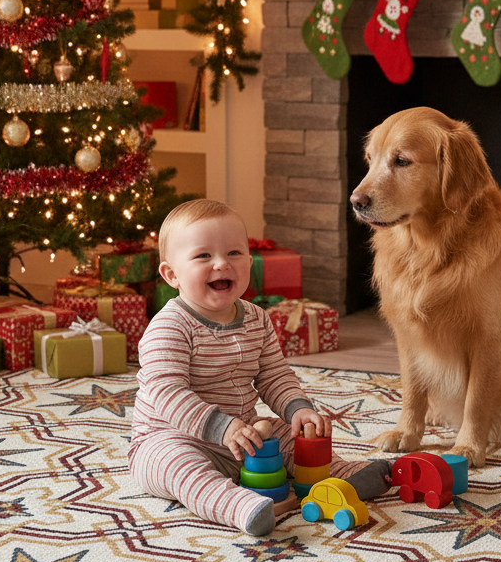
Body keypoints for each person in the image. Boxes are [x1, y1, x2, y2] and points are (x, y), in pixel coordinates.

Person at [128, 199, 390, 536]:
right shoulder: (169, 326)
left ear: (249, 262)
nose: (221, 263)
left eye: (234, 253)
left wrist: (298, 409)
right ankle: (239, 506)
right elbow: (168, 393)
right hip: (171, 437)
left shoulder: (256, 318)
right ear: (171, 274)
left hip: (245, 434)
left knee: (288, 436)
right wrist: (222, 428)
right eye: (203, 256)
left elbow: (274, 375)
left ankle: (339, 474)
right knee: (178, 465)